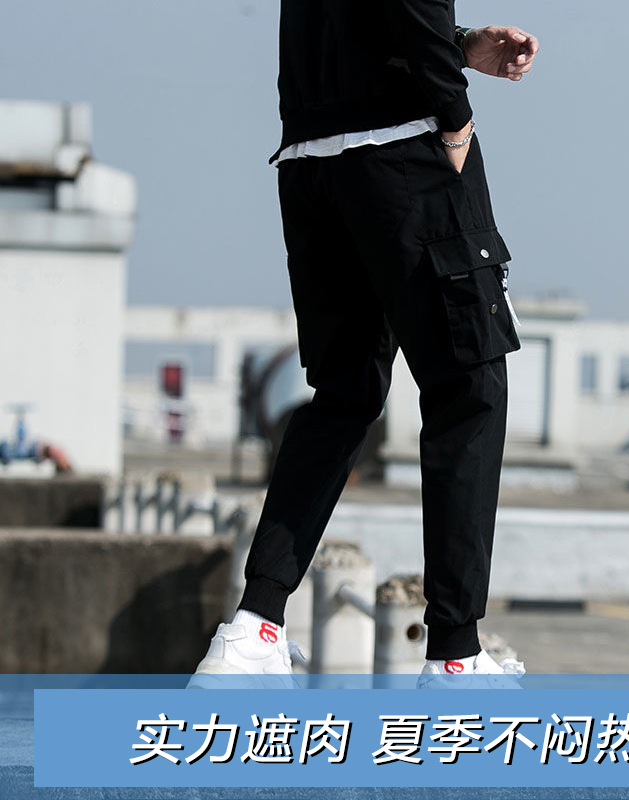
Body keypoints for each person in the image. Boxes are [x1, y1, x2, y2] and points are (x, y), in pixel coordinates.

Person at [193, 2, 539, 680]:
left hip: (312, 160)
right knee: (469, 386)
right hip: (403, 153)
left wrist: (456, 43)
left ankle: (254, 629)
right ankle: (456, 658)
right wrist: (455, 116)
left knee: (344, 394)